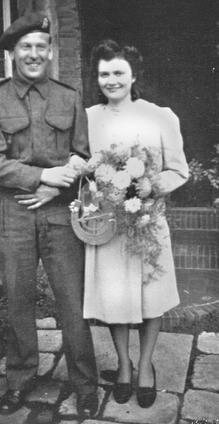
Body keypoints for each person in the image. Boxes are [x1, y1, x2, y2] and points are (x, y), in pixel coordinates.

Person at [0, 12, 98, 417]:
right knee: (18, 299)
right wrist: (40, 175)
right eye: (25, 47)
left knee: (72, 300)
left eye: (40, 47)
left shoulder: (68, 96)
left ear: (50, 51)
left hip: (61, 211)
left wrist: (53, 186)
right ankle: (20, 379)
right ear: (12, 53)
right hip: (14, 211)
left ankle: (84, 382)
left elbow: (82, 154)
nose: (33, 54)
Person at [83, 39, 189, 408]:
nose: (111, 80)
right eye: (104, 73)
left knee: (150, 298)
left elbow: (179, 170)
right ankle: (123, 365)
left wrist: (151, 184)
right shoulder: (88, 118)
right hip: (109, 225)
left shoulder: (160, 116)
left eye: (118, 72)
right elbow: (83, 169)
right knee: (116, 300)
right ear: (96, 78)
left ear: (133, 74)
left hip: (147, 223)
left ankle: (145, 366)